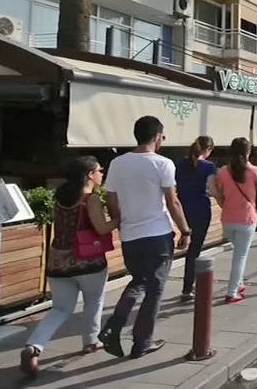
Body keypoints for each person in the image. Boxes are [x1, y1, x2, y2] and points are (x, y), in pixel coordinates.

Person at [98, 116, 191, 359]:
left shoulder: (117, 163)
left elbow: (111, 199)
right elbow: (172, 202)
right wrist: (185, 230)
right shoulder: (163, 164)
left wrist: (120, 222)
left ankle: (114, 326)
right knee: (154, 290)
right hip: (157, 235)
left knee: (138, 281)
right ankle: (142, 342)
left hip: (130, 236)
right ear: (157, 136)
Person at [20, 156, 117, 375]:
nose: (102, 174)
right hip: (89, 263)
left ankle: (33, 346)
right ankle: (91, 341)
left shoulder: (60, 197)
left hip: (58, 263)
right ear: (90, 175)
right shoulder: (91, 199)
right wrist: (118, 219)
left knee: (60, 309)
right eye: (100, 170)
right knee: (94, 301)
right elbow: (102, 229)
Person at [214, 137, 257, 304]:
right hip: (246, 219)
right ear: (248, 152)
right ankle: (232, 292)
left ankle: (239, 283)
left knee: (238, 252)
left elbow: (220, 194)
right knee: (240, 256)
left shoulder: (223, 171)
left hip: (227, 219)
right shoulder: (255, 171)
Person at [175, 135, 217, 303]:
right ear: (208, 150)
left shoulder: (180, 164)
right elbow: (213, 189)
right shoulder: (208, 166)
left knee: (189, 245)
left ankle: (187, 288)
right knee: (194, 250)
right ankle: (188, 288)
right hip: (201, 210)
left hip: (183, 210)